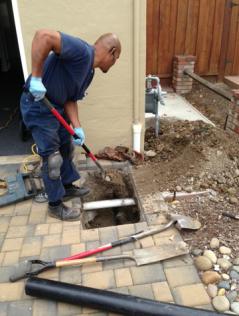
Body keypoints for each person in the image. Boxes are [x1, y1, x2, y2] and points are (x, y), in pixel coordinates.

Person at [20, 30, 121, 221]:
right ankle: (55, 206)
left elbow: (71, 99)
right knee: (53, 159)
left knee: (66, 148)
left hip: (56, 109)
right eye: (116, 59)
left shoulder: (88, 72)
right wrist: (36, 78)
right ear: (112, 51)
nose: (114, 64)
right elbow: (43, 36)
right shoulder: (82, 51)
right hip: (39, 106)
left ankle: (66, 188)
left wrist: (77, 127)